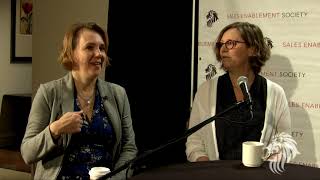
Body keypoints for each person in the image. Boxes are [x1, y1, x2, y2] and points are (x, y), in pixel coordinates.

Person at [21, 22, 138, 179]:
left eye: (101, 48)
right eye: (90, 47)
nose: (99, 54)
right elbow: (28, 152)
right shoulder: (49, 93)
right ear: (71, 53)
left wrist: (115, 178)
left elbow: (129, 148)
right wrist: (55, 129)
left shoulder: (118, 94)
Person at [185, 22, 291, 162]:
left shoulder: (275, 92)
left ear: (252, 49)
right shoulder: (206, 90)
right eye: (220, 44)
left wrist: (266, 172)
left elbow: (285, 144)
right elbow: (194, 140)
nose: (223, 49)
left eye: (230, 43)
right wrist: (208, 170)